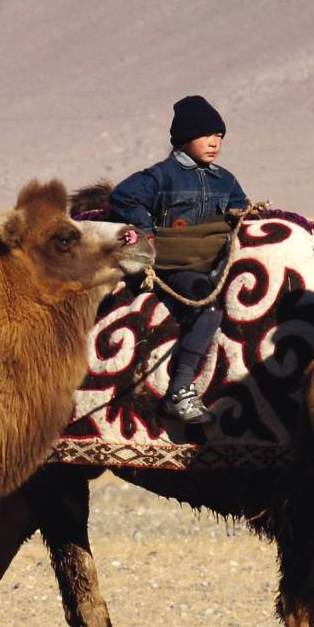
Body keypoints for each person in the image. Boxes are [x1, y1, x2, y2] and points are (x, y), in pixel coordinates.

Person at [109, 95, 249, 424]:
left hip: (212, 259)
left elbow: (241, 207)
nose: (215, 143)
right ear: (185, 138)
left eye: (220, 136)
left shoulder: (224, 180)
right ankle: (180, 390)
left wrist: (240, 214)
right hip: (175, 264)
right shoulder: (161, 176)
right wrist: (146, 232)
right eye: (206, 135)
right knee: (207, 308)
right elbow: (122, 197)